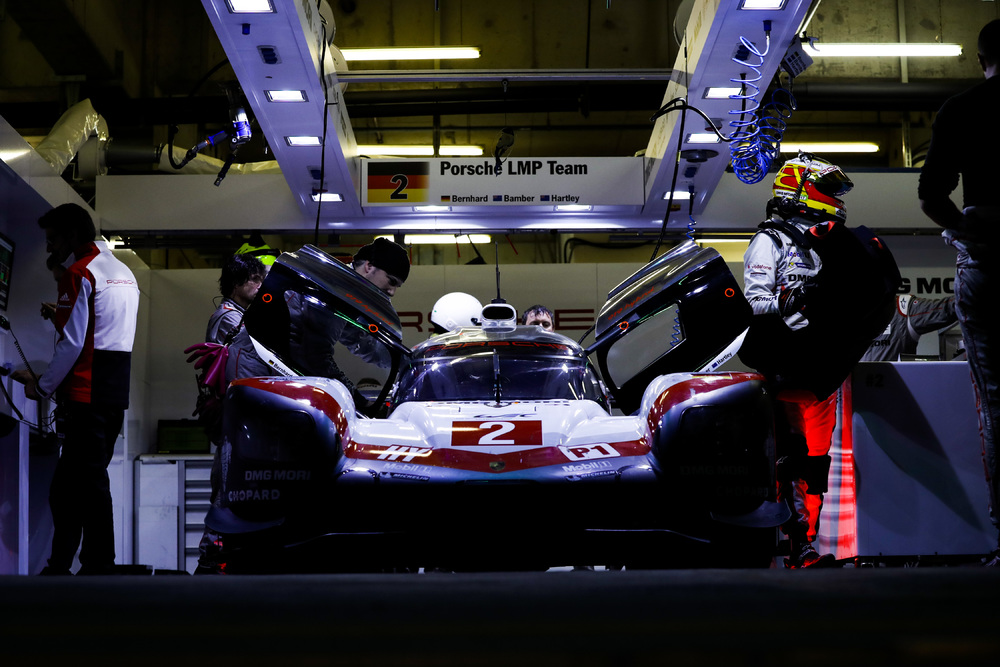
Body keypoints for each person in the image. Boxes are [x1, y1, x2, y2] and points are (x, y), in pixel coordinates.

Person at [12, 203, 139, 576]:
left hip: (86, 396)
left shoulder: (79, 273)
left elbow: (72, 345)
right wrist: (62, 316)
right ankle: (60, 567)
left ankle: (99, 564)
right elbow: (103, 330)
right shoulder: (123, 272)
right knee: (67, 489)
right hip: (114, 393)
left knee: (89, 484)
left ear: (71, 235)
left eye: (53, 239)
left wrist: (41, 387)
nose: (50, 248)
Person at [743, 153, 857, 569]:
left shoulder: (823, 244)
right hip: (784, 369)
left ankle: (808, 541)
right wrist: (794, 300)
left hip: (822, 371)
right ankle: (796, 546)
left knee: (817, 465)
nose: (834, 198)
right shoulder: (769, 241)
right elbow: (754, 303)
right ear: (801, 189)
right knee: (791, 458)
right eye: (826, 189)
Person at [918, 19, 1000, 566]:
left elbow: (932, 196)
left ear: (979, 58)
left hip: (989, 260)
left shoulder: (964, 108)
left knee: (997, 401)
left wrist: (969, 231)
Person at [861, 294, 957, 362]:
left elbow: (946, 308)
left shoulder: (903, 308)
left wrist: (964, 294)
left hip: (897, 384)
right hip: (855, 384)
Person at [205, 253, 265, 344]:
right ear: (236, 282)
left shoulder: (236, 313)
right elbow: (253, 347)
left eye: (262, 281)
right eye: (255, 279)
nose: (261, 286)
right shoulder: (230, 317)